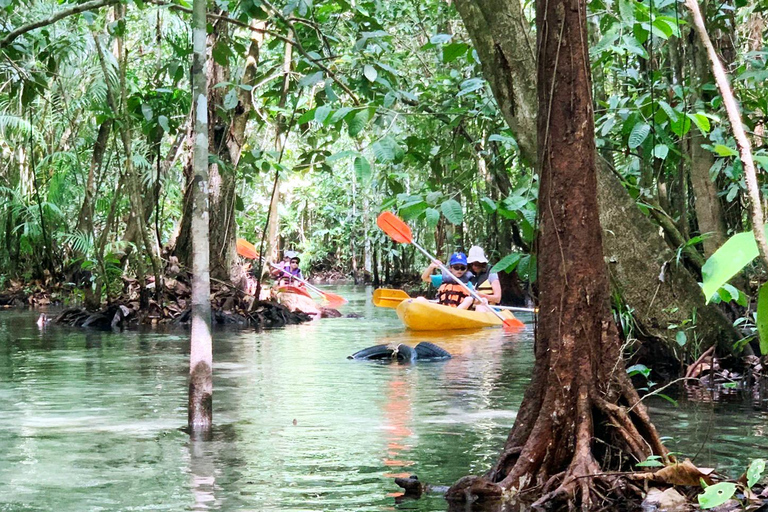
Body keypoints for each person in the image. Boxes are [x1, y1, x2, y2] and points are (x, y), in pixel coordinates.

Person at [466, 246, 502, 310]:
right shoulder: (467, 274)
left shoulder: (491, 273)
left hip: (489, 308)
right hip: (472, 309)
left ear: (482, 263)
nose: (474, 267)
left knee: (479, 308)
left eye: (477, 264)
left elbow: (497, 298)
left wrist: (481, 296)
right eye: (472, 264)